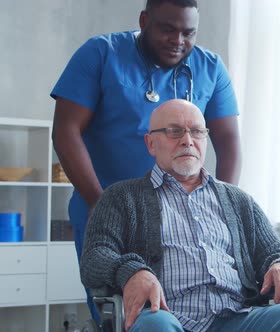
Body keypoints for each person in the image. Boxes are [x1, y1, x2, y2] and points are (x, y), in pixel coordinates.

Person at [50, 0, 241, 320]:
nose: (178, 40)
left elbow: (228, 140)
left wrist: (220, 205)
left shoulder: (210, 67)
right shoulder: (101, 53)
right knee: (125, 312)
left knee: (192, 308)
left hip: (183, 216)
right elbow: (66, 131)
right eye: (167, 29)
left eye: (188, 33)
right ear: (144, 20)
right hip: (108, 206)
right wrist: (100, 204)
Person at [80, 99, 280, 332]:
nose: (187, 141)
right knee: (155, 325)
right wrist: (132, 271)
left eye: (196, 131)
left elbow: (277, 251)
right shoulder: (121, 197)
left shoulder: (238, 200)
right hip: (166, 317)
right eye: (174, 132)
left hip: (236, 318)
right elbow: (95, 256)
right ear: (151, 143)